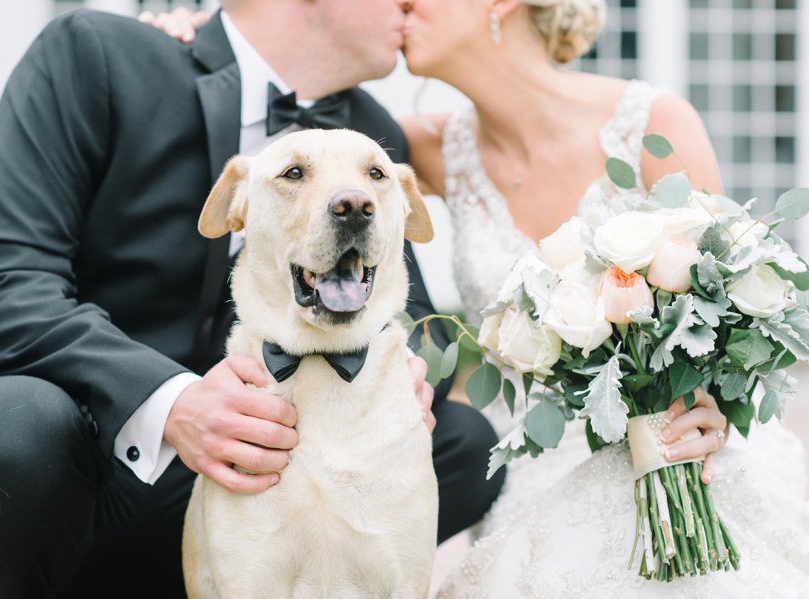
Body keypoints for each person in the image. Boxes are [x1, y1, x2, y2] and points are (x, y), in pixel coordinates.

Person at [150, 0, 809, 597]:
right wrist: (192, 44)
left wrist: (712, 406)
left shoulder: (655, 121)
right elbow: (310, 161)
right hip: (534, 458)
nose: (398, 6)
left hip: (678, 441)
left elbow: (725, 298)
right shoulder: (426, 145)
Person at [0, 1, 507, 597]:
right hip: (15, 462)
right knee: (24, 427)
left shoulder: (364, 131)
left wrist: (410, 374)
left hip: (193, 481)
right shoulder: (96, 53)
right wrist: (174, 402)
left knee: (458, 440)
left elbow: (414, 312)